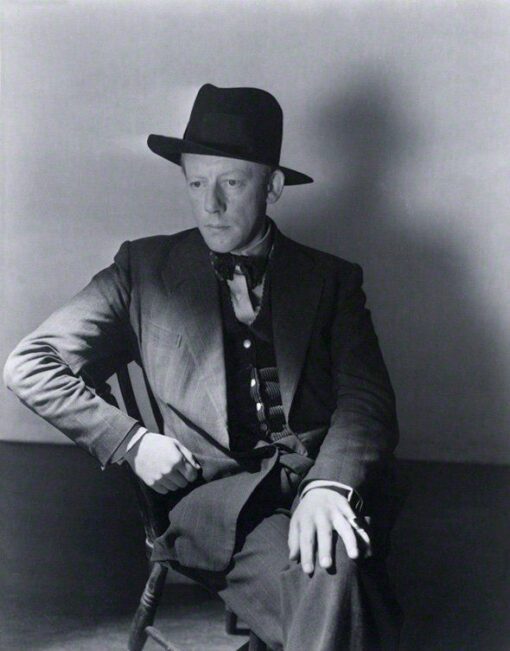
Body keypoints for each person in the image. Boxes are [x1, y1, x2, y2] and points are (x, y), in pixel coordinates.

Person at [3, 84, 402, 650]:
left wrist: (329, 485)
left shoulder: (331, 279)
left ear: (272, 186)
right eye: (196, 183)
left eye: (231, 183)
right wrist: (134, 442)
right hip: (216, 501)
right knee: (340, 572)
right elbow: (29, 363)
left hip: (317, 481)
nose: (210, 204)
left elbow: (367, 400)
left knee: (333, 581)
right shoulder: (143, 268)